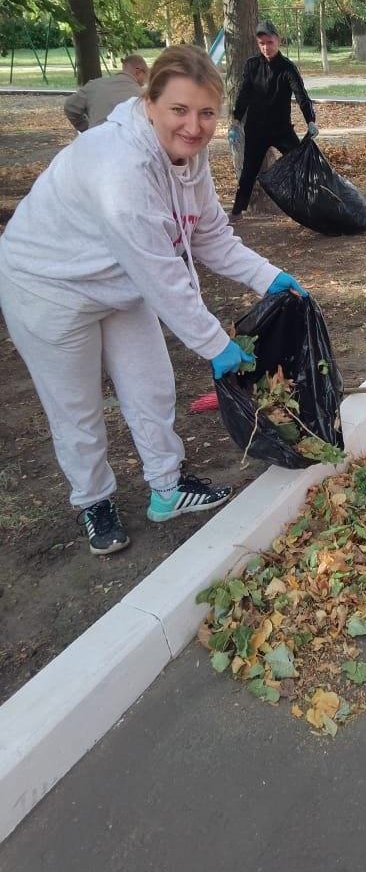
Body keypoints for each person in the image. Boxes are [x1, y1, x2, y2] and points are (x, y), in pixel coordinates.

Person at [0, 46, 307, 557]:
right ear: (149, 102)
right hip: (48, 285)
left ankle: (167, 488)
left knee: (151, 385)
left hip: (120, 280)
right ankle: (95, 501)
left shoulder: (190, 155)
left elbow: (209, 236)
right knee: (76, 406)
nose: (194, 126)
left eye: (207, 113)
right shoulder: (119, 168)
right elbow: (163, 277)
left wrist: (271, 277)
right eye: (179, 110)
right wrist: (217, 344)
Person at [228, 20, 318, 220]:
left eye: (269, 42)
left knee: (300, 163)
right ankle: (236, 212)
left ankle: (313, 204)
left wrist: (311, 120)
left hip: (281, 129)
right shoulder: (252, 65)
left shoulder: (287, 68)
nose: (266, 47)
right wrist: (235, 120)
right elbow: (244, 93)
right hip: (256, 129)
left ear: (278, 40)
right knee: (248, 172)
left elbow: (301, 95)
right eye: (261, 43)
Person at [63, 54, 149, 131]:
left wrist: (85, 128)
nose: (146, 81)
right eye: (146, 75)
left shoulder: (94, 85)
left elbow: (70, 106)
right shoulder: (143, 96)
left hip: (96, 142)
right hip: (129, 145)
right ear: (138, 72)